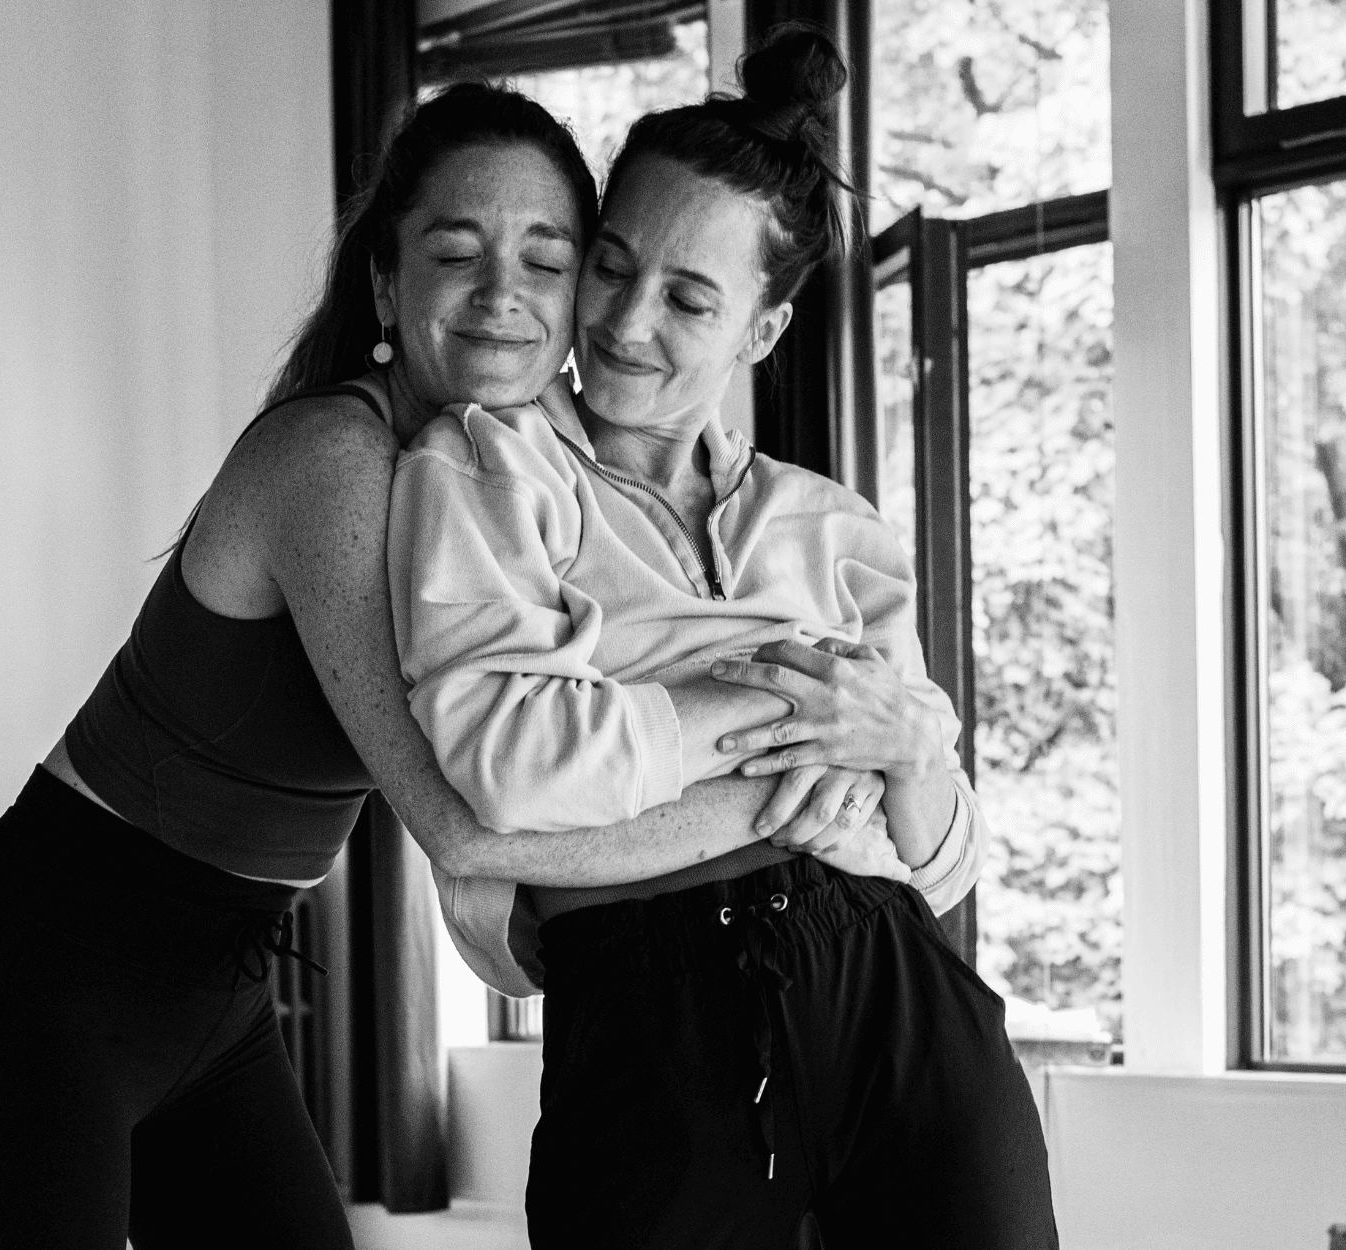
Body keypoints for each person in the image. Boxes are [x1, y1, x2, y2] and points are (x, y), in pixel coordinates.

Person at [0, 80, 946, 1249]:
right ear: (387, 284)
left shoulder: (505, 496)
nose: (504, 295)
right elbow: (464, 823)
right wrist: (798, 798)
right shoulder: (334, 462)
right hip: (47, 970)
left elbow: (579, 746)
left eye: (548, 260)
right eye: (456, 254)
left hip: (217, 993)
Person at [390, 29, 1059, 1249]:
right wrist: (798, 707)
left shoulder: (834, 525)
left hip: (898, 990)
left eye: (690, 298)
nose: (624, 321)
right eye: (610, 266)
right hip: (648, 1009)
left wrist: (908, 746)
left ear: (762, 328)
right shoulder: (487, 465)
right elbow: (506, 761)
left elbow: (945, 859)